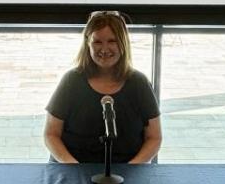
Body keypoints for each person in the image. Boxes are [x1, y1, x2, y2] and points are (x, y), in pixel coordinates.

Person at [44, 10, 162, 164]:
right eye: (97, 42)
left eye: (112, 41)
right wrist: (73, 167)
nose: (104, 49)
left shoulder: (139, 83)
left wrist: (132, 169)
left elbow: (154, 137)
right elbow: (51, 134)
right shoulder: (71, 81)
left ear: (123, 43)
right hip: (73, 170)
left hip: (127, 172)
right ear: (88, 44)